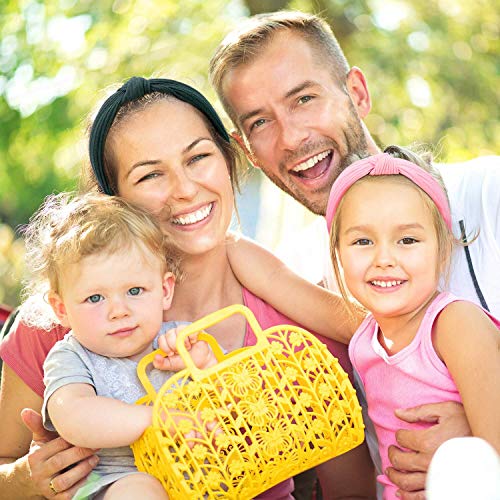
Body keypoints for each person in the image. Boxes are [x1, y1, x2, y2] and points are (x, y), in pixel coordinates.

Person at [0, 77, 374, 499]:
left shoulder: (290, 330)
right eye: (150, 175)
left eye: (197, 158)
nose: (184, 189)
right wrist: (23, 481)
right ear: (113, 198)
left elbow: (350, 489)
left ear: (229, 158)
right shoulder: (68, 322)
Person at [209, 10, 500, 497]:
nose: (291, 137)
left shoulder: (488, 194)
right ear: (247, 149)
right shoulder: (319, 280)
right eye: (261, 122)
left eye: (304, 99)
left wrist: (476, 439)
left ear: (357, 94)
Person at [227, 146, 500, 499]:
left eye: (407, 240)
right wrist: (220, 240)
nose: (384, 258)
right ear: (337, 253)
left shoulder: (454, 325)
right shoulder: (367, 336)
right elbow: (277, 279)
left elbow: (494, 447)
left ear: (442, 249)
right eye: (362, 241)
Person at [21, 191, 221, 499]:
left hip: (194, 475)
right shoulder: (71, 357)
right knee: (140, 490)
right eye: (95, 298)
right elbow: (75, 417)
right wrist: (155, 419)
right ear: (62, 309)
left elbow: (228, 408)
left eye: (135, 290)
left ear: (164, 290)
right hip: (115, 479)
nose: (119, 310)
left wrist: (205, 366)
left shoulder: (178, 340)